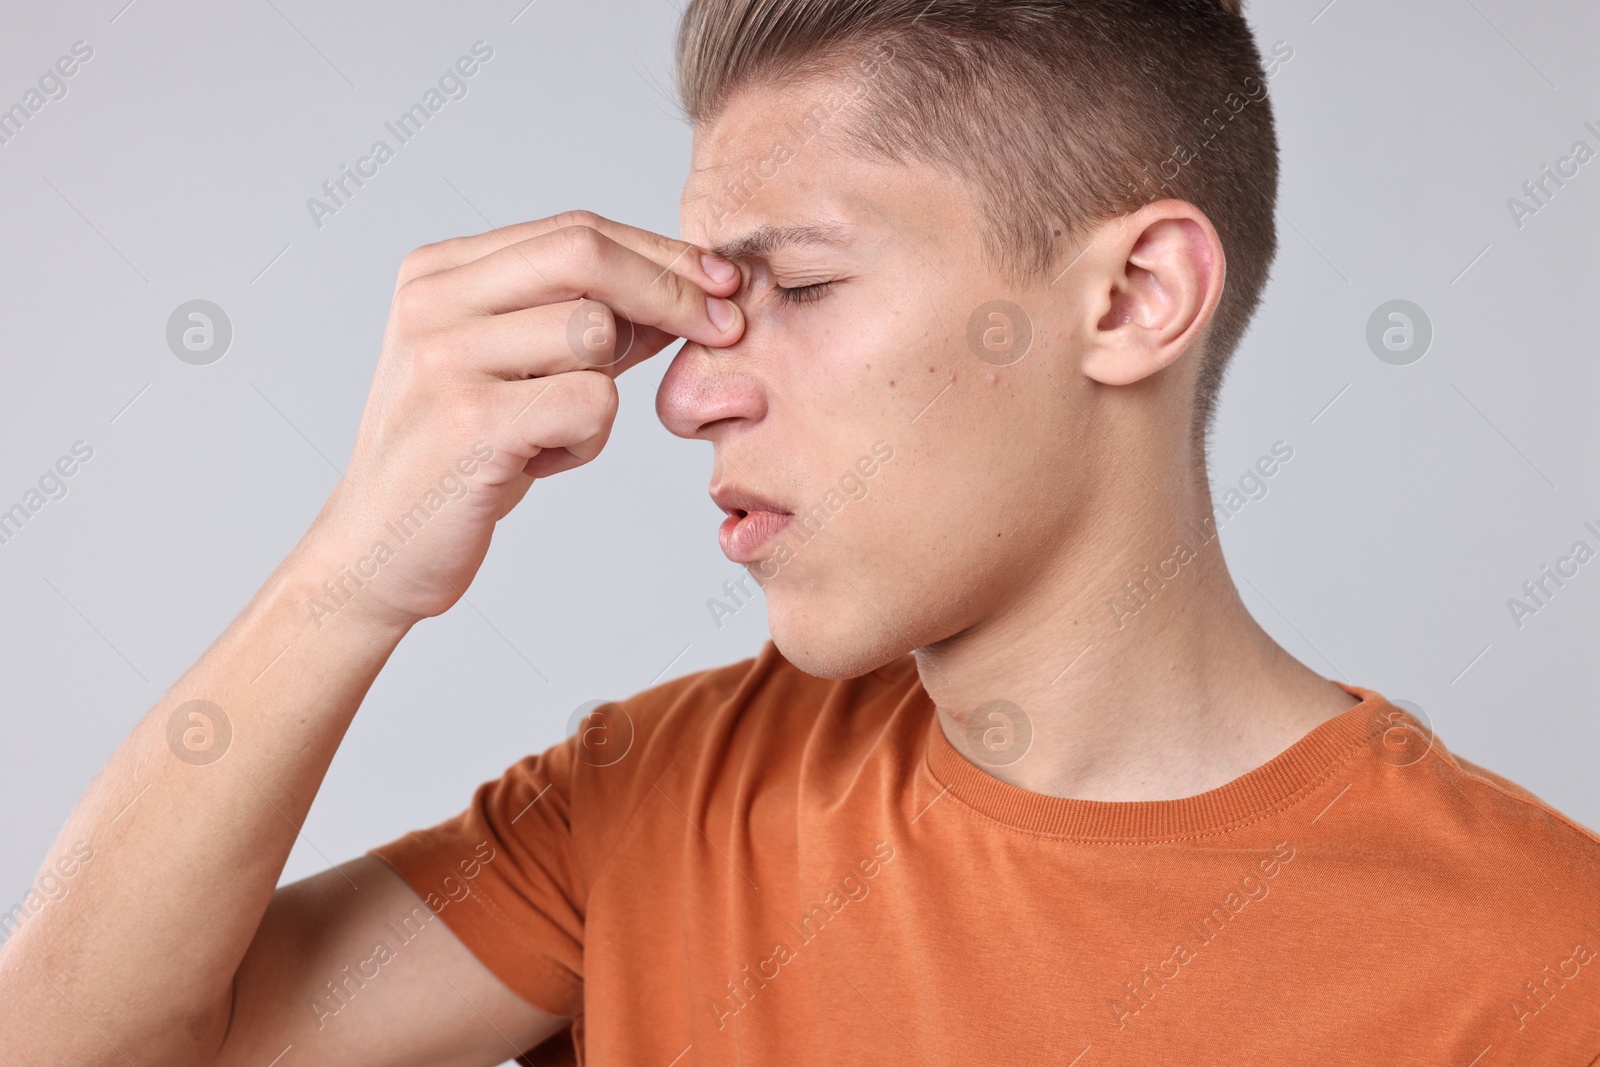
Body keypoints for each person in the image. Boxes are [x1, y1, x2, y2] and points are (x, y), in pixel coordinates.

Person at [4, 1, 1598, 1064]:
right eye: (707, 307)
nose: (686, 399)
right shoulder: (658, 804)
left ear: (1130, 299)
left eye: (808, 291)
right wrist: (358, 560)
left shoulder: (1539, 965)